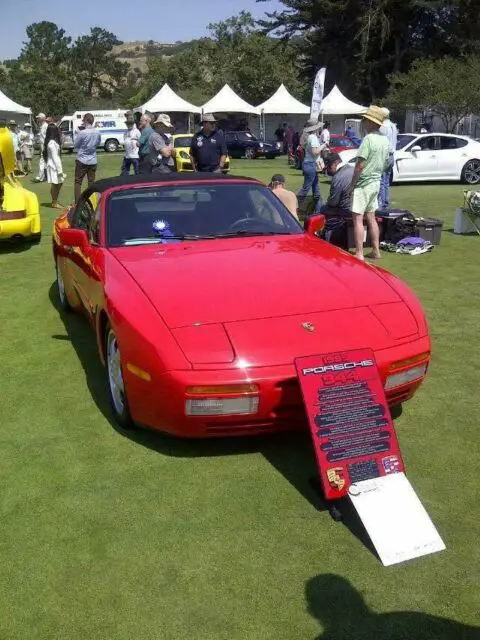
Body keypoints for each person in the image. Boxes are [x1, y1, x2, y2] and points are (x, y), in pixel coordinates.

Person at [347, 105, 389, 261]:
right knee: (371, 217)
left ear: (371, 122)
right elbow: (385, 162)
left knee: (357, 218)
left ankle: (359, 252)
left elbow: (359, 165)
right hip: (376, 182)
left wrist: (352, 185)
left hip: (364, 183)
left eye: (365, 120)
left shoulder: (368, 139)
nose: (363, 122)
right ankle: (375, 250)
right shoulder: (384, 140)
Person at [74, 113, 101, 203]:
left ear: (86, 120)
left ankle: (78, 203)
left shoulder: (82, 133)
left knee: (78, 182)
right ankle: (92, 202)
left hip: (82, 159)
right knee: (91, 182)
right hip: (93, 160)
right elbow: (98, 144)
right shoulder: (97, 132)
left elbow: (76, 145)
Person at [297, 118, 323, 211]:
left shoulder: (309, 137)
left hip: (309, 164)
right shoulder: (313, 137)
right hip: (311, 165)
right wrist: (323, 146)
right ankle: (294, 205)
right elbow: (315, 152)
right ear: (316, 128)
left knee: (316, 188)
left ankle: (319, 209)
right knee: (306, 188)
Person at [379, 107, 398, 209]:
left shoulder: (383, 126)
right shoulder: (393, 126)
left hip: (385, 155)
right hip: (391, 155)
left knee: (381, 181)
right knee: (386, 181)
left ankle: (382, 203)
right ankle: (385, 201)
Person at [43, 123, 65, 208]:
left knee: (57, 183)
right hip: (54, 167)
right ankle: (54, 202)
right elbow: (55, 158)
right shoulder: (51, 143)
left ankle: (54, 201)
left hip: (54, 166)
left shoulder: (52, 142)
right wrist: (60, 170)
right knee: (56, 184)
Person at [122, 110, 141, 175]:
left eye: (130, 124)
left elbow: (140, 141)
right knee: (124, 172)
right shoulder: (126, 132)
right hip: (127, 156)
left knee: (137, 172)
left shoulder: (137, 131)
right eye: (127, 124)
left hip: (135, 156)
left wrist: (136, 140)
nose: (128, 125)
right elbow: (125, 140)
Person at [34, 113, 48, 182]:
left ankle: (41, 177)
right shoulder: (42, 126)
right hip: (43, 145)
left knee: (42, 161)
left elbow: (46, 137)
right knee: (45, 161)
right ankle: (45, 176)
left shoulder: (45, 126)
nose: (38, 119)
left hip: (45, 145)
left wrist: (45, 146)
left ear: (42, 118)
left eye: (39, 118)